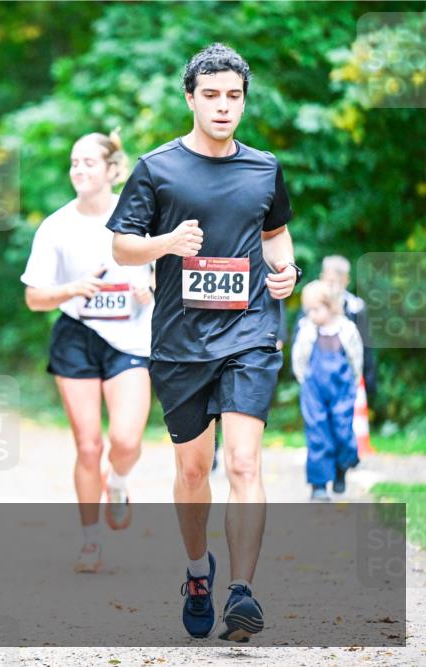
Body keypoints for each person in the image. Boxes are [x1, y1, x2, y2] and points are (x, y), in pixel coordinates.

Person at [108, 44, 300, 642]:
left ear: (244, 101)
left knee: (244, 461)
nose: (223, 106)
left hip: (250, 331)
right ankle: (199, 573)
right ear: (190, 98)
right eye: (211, 95)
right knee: (194, 470)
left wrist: (287, 273)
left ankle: (242, 593)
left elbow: (277, 237)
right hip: (180, 341)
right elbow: (121, 246)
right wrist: (166, 244)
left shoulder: (264, 168)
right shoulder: (157, 167)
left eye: (234, 96)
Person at [21, 131, 154, 573]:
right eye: (74, 162)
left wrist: (147, 286)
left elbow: (165, 273)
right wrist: (72, 289)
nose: (79, 169)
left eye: (89, 162)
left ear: (112, 170)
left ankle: (118, 481)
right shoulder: (56, 226)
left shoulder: (138, 216)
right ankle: (90, 540)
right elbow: (34, 298)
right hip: (77, 337)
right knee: (88, 445)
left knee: (125, 441)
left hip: (130, 339)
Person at [292, 280, 362, 501]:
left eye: (316, 309)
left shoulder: (347, 329)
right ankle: (318, 484)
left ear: (331, 306)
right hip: (314, 390)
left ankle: (342, 465)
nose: (312, 314)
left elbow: (356, 358)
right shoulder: (307, 330)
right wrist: (304, 379)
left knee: (342, 430)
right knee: (317, 433)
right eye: (309, 310)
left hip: (341, 388)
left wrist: (354, 381)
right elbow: (299, 358)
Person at [320, 255, 376, 404]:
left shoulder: (356, 307)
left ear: (346, 280)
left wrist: (368, 378)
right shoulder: (314, 304)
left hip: (348, 371)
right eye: (328, 280)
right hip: (320, 372)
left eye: (335, 281)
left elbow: (366, 344)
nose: (331, 285)